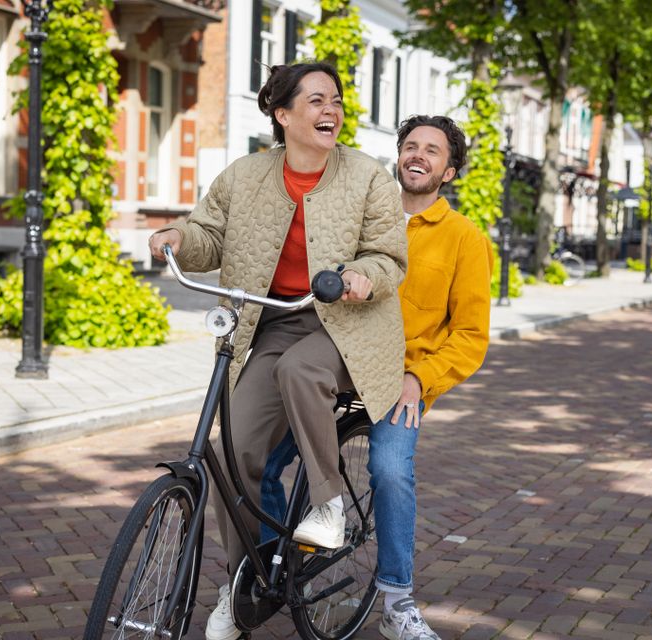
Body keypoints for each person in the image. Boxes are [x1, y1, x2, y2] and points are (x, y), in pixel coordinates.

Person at [147, 62, 407, 640]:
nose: (331, 110)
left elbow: (389, 257)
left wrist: (361, 275)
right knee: (233, 452)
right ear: (282, 114)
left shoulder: (367, 177)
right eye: (316, 101)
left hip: (348, 325)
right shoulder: (245, 175)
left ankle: (328, 505)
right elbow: (209, 235)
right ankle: (246, 584)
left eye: (336, 101)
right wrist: (179, 237)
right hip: (274, 323)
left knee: (301, 368)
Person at [260, 115, 492, 640]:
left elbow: (471, 336)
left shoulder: (465, 239)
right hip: (342, 356)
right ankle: (271, 569)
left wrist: (421, 379)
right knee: (259, 460)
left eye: (432, 150)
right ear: (398, 155)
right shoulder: (364, 214)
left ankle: (396, 601)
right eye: (411, 145)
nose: (418, 155)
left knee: (389, 471)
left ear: (449, 171)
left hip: (402, 377)